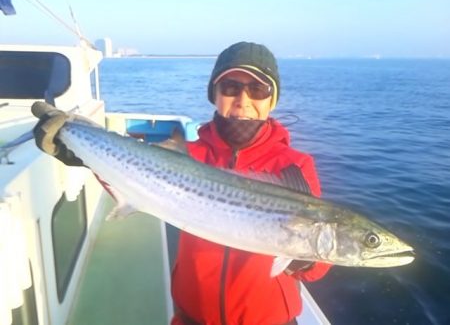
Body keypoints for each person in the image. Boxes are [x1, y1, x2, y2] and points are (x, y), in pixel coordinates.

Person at [32, 41, 331, 325]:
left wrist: (303, 254)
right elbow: (131, 180)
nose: (243, 100)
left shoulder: (293, 166)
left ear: (272, 99)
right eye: (230, 87)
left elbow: (315, 268)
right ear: (214, 94)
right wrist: (79, 151)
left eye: (258, 89)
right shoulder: (192, 154)